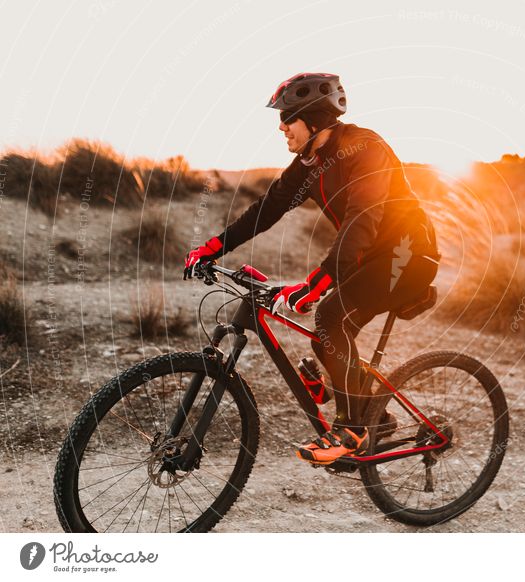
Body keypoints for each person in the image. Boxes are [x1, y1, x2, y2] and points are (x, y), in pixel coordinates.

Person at [184, 73, 440, 465]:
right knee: (326, 339)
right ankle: (378, 419)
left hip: (409, 256)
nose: (281, 127)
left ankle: (351, 430)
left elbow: (362, 219)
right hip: (370, 257)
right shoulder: (309, 161)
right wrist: (213, 248)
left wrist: (318, 281)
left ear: (315, 120)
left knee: (330, 317)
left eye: (288, 118)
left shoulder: (365, 148)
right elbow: (267, 209)